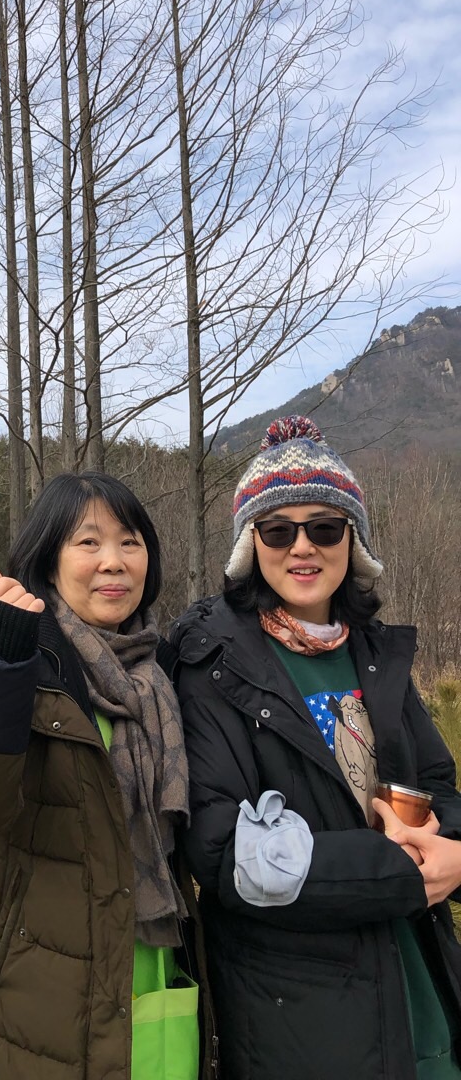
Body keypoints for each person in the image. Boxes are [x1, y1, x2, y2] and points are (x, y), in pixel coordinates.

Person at [165, 415, 461, 1079]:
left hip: (420, 991)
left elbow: (441, 788)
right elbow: (222, 854)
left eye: (325, 527)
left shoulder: (377, 657)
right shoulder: (213, 666)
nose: (303, 547)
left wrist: (455, 850)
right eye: (278, 529)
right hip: (300, 1018)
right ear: (251, 544)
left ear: (351, 541)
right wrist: (408, 873)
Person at [0, 472, 203, 1080]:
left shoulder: (164, 675)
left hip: (154, 963)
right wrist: (0, 659)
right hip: (22, 983)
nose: (113, 561)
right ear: (48, 559)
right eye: (88, 542)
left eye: (131, 541)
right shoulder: (19, 660)